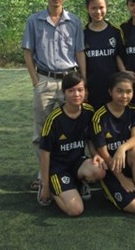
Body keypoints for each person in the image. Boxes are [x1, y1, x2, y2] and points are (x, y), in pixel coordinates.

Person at [21, 0, 86, 192]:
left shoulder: (74, 21)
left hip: (70, 80)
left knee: (75, 128)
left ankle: (75, 172)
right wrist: (35, 81)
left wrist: (83, 80)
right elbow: (28, 52)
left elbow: (79, 52)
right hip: (45, 81)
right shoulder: (34, 21)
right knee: (42, 130)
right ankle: (44, 175)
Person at [91, 72, 135, 219]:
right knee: (133, 207)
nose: (124, 96)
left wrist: (122, 148)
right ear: (110, 92)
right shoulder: (99, 116)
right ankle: (110, 190)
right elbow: (103, 152)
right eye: (119, 91)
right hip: (111, 168)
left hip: (129, 162)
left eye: (129, 91)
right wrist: (121, 178)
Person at [38, 72, 107, 215]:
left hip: (77, 163)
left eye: (80, 90)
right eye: (71, 90)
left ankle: (78, 183)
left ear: (85, 91)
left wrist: (95, 154)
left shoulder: (89, 111)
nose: (76, 94)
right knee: (76, 210)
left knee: (99, 169)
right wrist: (45, 185)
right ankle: (52, 186)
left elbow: (89, 138)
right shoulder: (54, 119)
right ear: (64, 93)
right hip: (58, 169)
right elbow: (45, 153)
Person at [83, 0, 125, 110]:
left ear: (106, 8)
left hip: (113, 87)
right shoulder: (83, 34)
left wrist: (124, 73)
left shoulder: (116, 31)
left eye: (101, 7)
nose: (98, 11)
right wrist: (83, 85)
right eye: (94, 8)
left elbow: (119, 56)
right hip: (92, 87)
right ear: (87, 9)